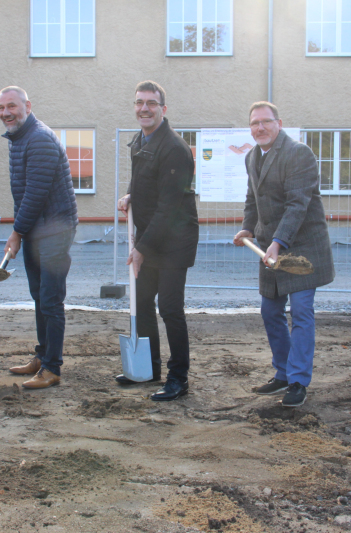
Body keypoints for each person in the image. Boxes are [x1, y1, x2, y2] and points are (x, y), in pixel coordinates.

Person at [233, 101, 335, 407]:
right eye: (254, 123)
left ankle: (299, 380)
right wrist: (248, 228)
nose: (260, 128)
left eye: (266, 122)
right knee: (270, 311)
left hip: (301, 246)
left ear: (279, 123)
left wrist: (278, 243)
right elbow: (253, 197)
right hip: (270, 246)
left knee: (301, 312)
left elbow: (297, 204)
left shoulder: (298, 153)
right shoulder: (252, 156)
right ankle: (283, 372)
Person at [116, 80, 199, 401]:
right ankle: (147, 369)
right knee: (142, 302)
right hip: (150, 235)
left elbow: (170, 206)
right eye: (139, 102)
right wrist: (130, 194)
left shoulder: (175, 148)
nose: (144, 108)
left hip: (174, 241)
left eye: (151, 103)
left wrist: (140, 250)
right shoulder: (141, 140)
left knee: (170, 308)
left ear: (163, 109)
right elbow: (146, 181)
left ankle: (179, 377)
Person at [0, 86, 78, 390]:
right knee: (38, 295)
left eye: (12, 106)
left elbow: (35, 194)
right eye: (1, 107)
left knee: (50, 298)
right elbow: (24, 194)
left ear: (27, 106)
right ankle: (43, 355)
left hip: (56, 230)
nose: (6, 113)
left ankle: (52, 369)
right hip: (36, 228)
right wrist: (22, 230)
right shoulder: (19, 138)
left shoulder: (40, 139)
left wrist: (16, 233)